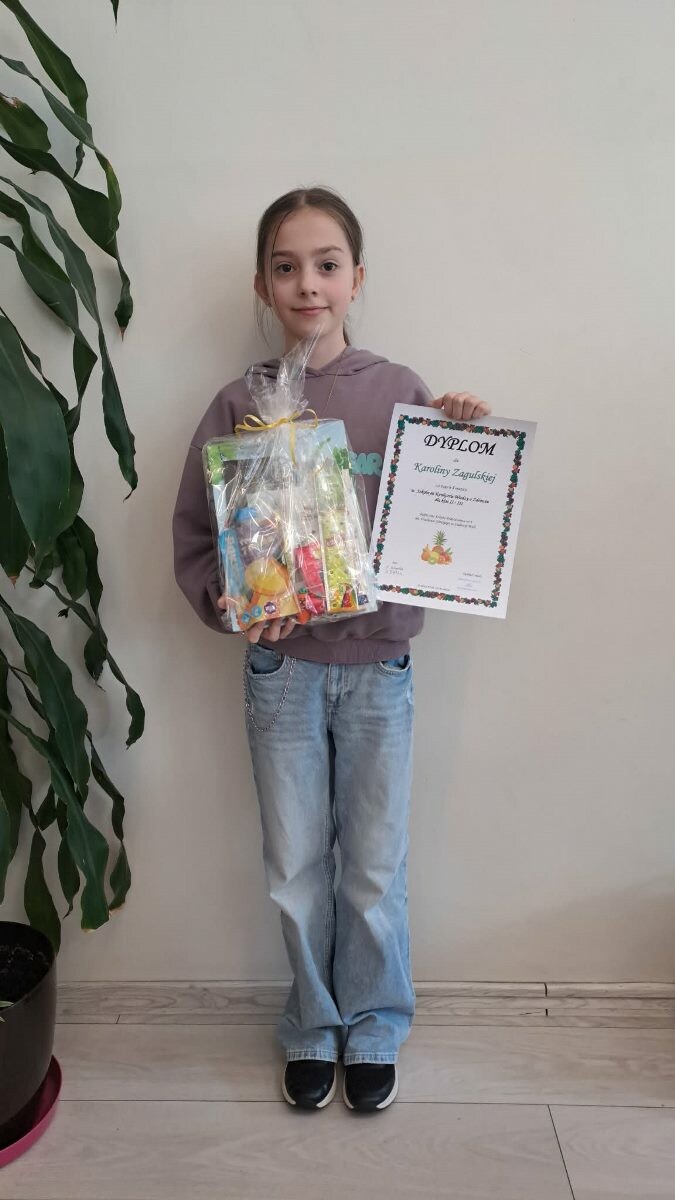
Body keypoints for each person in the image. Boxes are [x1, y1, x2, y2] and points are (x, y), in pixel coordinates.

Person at [172, 185, 490, 1113]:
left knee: (375, 867)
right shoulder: (238, 405)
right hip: (281, 673)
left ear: (356, 278)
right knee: (295, 868)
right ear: (262, 285)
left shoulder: (400, 393)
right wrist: (231, 601)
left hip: (379, 670)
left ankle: (375, 1022)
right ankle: (312, 1023)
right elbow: (199, 536)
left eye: (325, 265)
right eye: (286, 267)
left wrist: (461, 439)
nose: (307, 284)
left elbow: (441, 522)